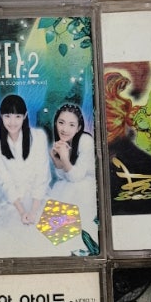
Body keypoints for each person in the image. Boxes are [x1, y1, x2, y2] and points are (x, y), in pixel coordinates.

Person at [0, 94, 50, 226]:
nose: (12, 122)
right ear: (1, 116)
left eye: (17, 116)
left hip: (38, 198)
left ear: (25, 116)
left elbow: (42, 175)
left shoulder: (38, 137)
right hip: (14, 201)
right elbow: (6, 181)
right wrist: (22, 212)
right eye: (7, 116)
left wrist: (33, 212)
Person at [49, 103, 98, 241]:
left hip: (89, 186)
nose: (65, 129)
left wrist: (64, 158)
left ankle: (66, 233)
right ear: (56, 123)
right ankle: (57, 231)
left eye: (71, 125)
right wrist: (56, 159)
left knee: (70, 187)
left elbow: (76, 177)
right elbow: (62, 176)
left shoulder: (85, 140)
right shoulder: (62, 142)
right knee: (60, 186)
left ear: (78, 128)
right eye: (61, 123)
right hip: (73, 183)